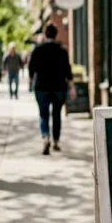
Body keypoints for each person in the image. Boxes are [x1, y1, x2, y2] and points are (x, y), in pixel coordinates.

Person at [28, 24, 75, 155]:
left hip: (41, 87)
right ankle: (56, 141)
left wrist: (31, 80)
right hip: (59, 87)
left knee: (43, 115)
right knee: (56, 114)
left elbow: (31, 67)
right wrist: (72, 87)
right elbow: (67, 70)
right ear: (56, 34)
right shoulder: (62, 51)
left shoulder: (38, 49)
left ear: (45, 34)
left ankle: (45, 137)